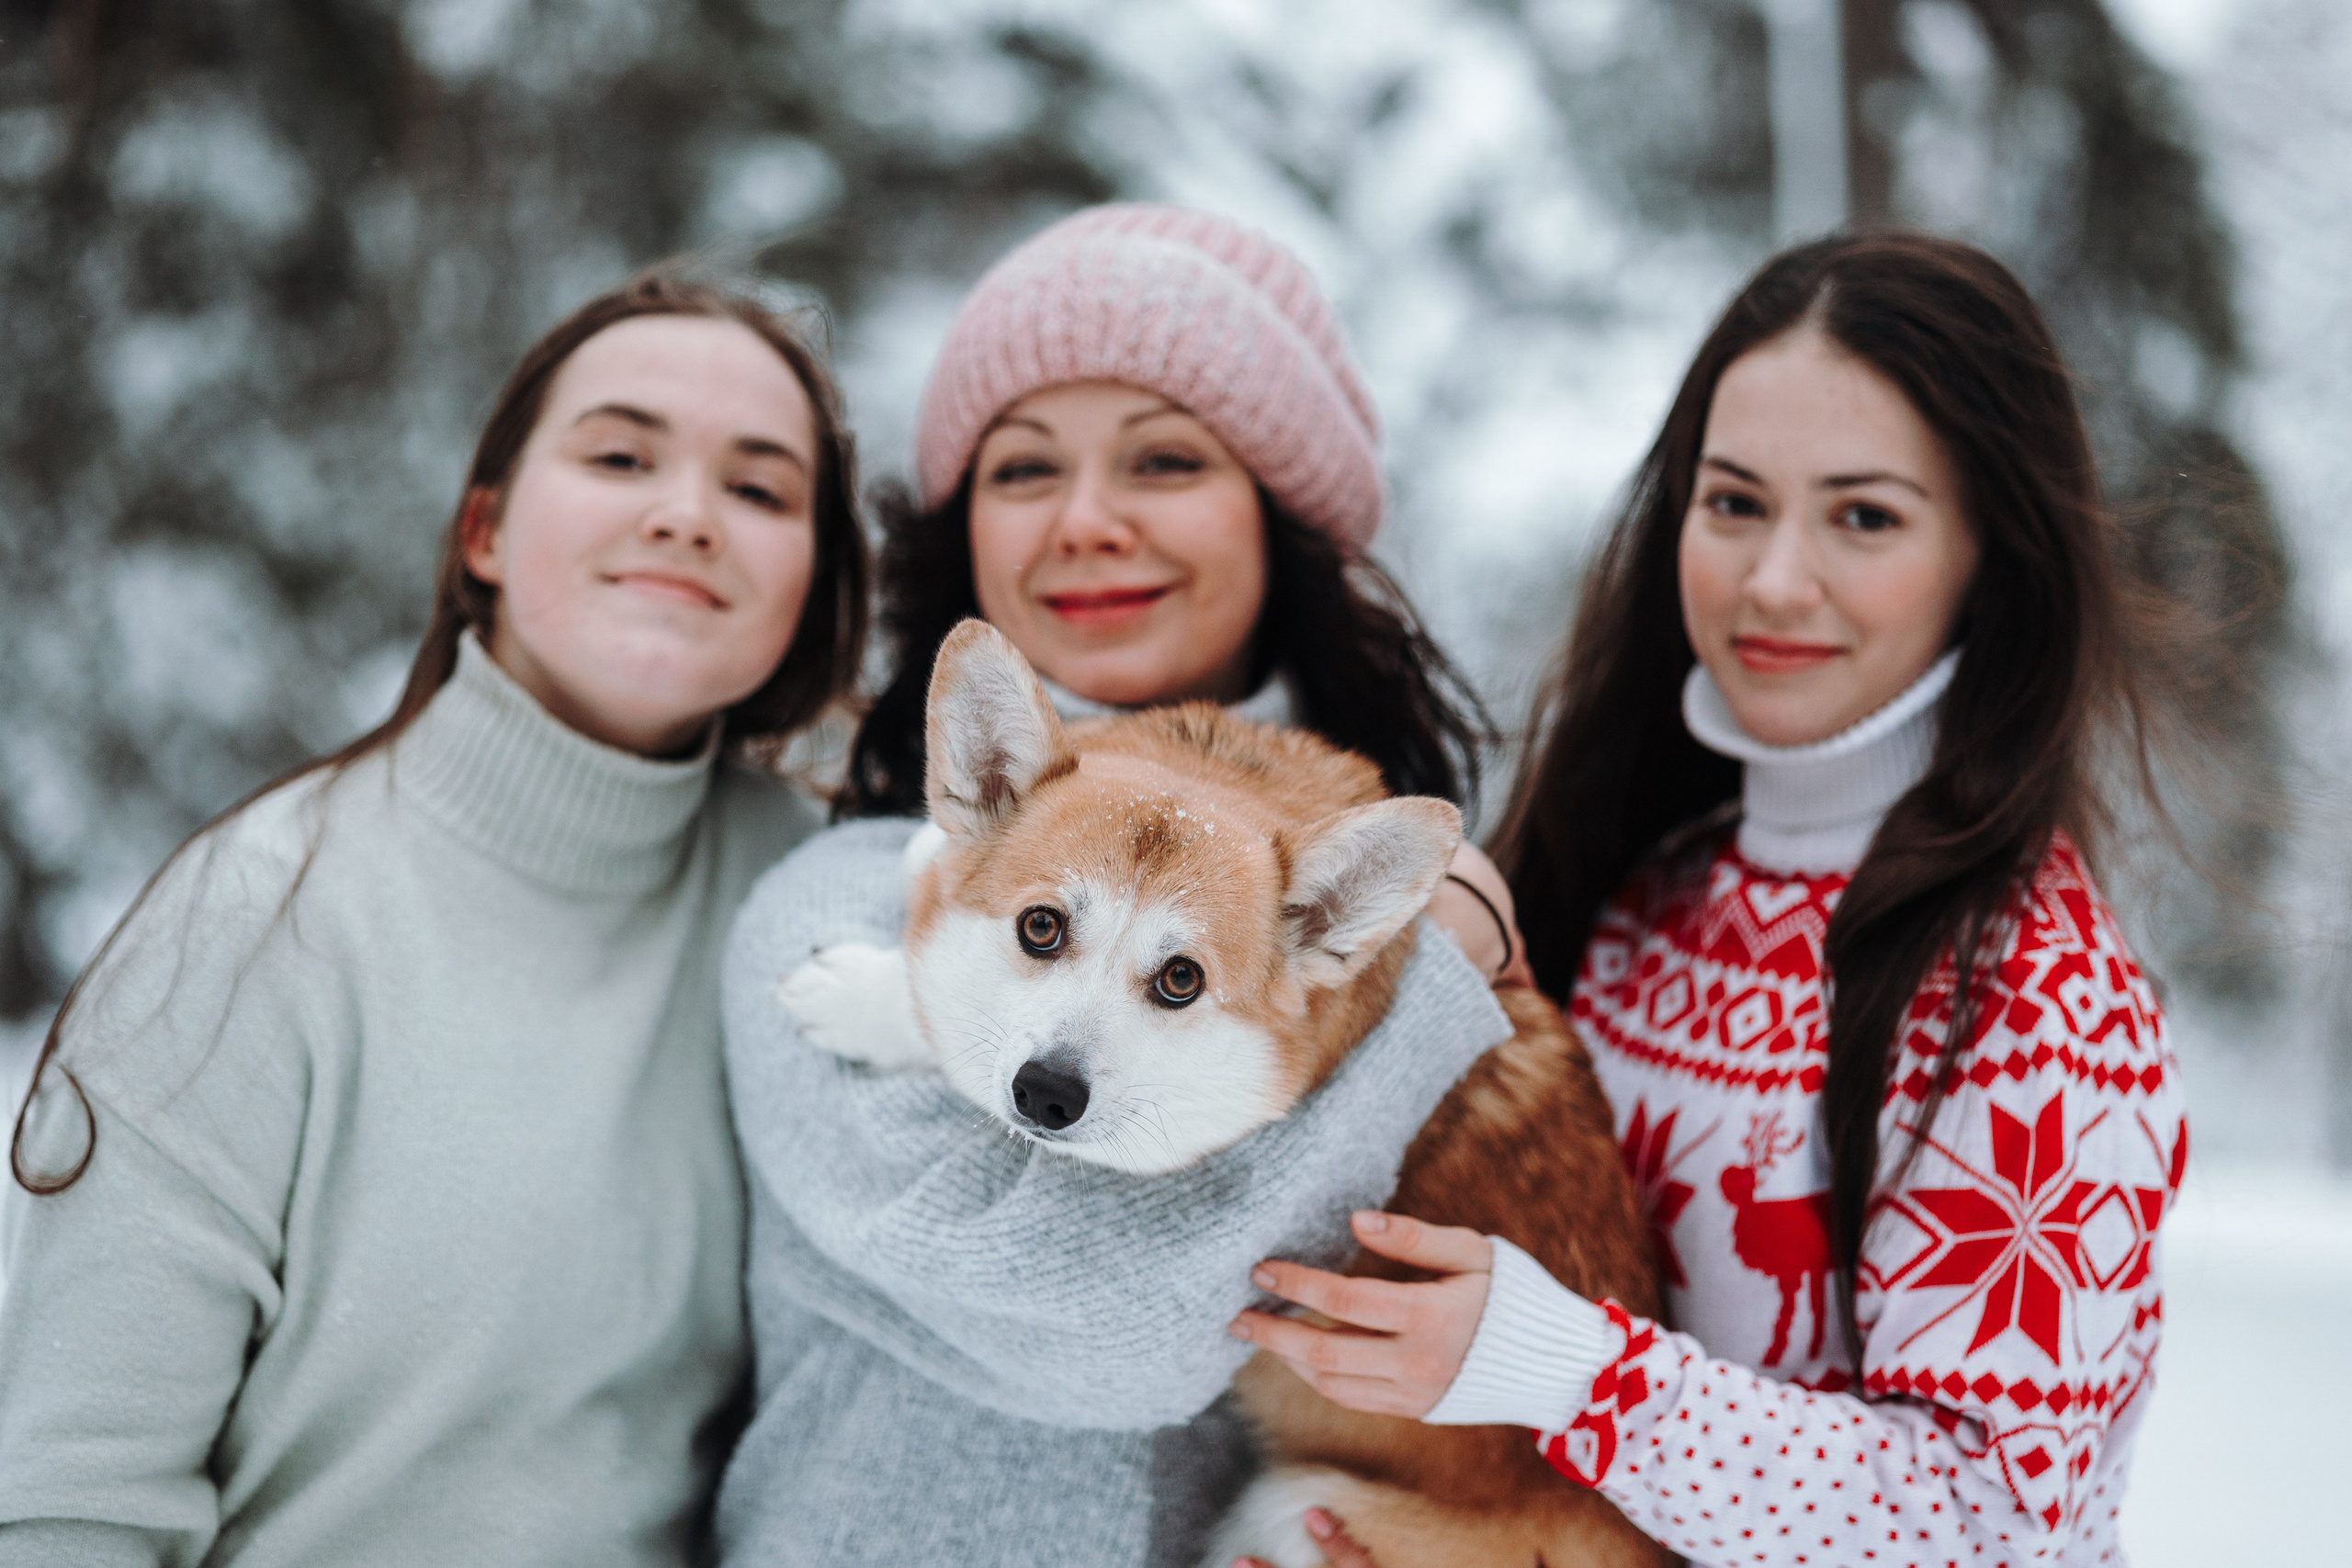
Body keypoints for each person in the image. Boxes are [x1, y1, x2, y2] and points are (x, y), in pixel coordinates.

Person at [1230, 232, 2191, 1566]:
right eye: (1734, 502)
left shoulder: (2035, 990)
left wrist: (1574, 1372)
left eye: (1865, 516)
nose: (1773, 580)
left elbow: (1985, 1521)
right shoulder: (1637, 886)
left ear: (1993, 551)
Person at [0, 270, 868, 1568]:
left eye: (758, 488)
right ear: (485, 533)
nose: (689, 516)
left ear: (810, 580)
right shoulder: (263, 916)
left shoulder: (816, 905)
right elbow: (72, 1505)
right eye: (623, 454)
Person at [716, 203, 1521, 1568]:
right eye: (1025, 469)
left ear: (1277, 519)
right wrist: (1434, 980)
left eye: (1162, 459)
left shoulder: (1375, 904)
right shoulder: (843, 902)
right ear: (964, 526)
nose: (1090, 521)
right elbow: (1104, 1331)